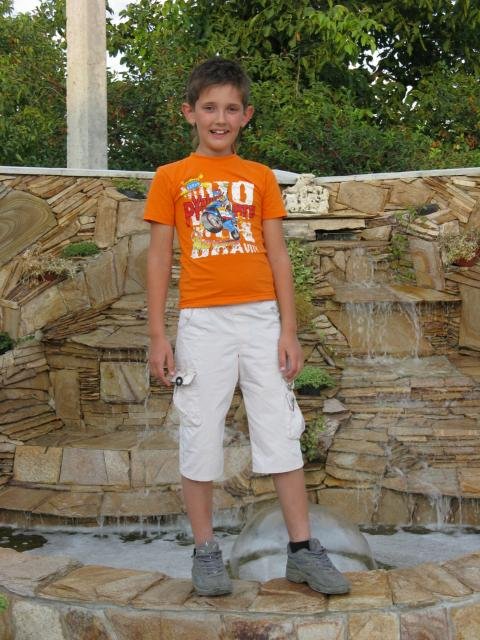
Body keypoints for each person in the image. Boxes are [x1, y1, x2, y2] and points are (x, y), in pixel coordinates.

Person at [144, 57, 350, 597]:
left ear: (246, 115)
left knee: (280, 430)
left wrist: (289, 330)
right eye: (209, 108)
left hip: (261, 320)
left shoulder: (259, 178)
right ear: (189, 112)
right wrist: (159, 335)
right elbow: (159, 258)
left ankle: (302, 551)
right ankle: (206, 552)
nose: (220, 118)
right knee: (200, 434)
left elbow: (278, 256)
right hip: (201, 324)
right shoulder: (170, 178)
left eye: (231, 109)